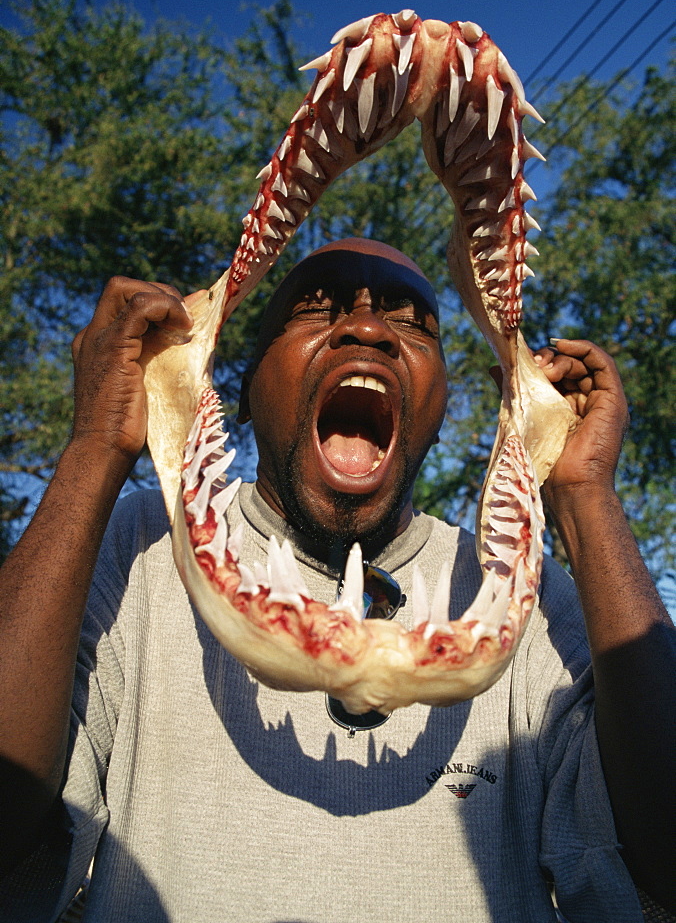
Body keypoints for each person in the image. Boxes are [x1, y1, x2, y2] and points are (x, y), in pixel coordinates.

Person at [0, 237, 673, 922]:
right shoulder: (142, 545)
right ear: (240, 390)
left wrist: (587, 499)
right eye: (315, 309)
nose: (367, 327)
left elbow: (663, 858)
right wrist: (94, 446)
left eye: (412, 323)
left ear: (442, 412)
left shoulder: (519, 593)